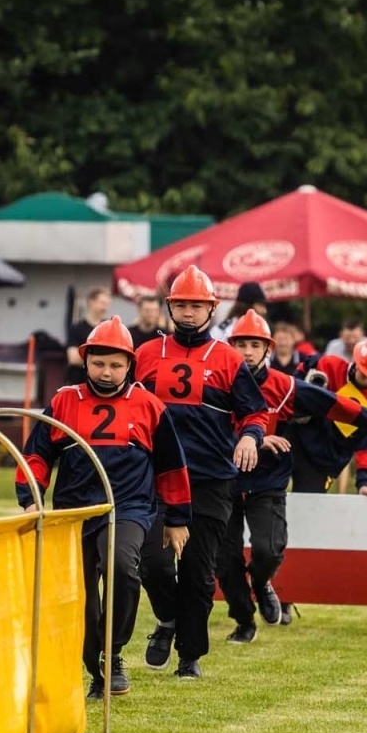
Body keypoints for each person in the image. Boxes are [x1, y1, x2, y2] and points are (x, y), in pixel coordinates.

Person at [16, 317, 190, 696]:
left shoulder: (149, 405)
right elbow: (36, 456)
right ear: (85, 361)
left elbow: (171, 466)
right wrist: (31, 499)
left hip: (127, 508)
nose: (107, 373)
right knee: (80, 598)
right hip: (73, 511)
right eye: (98, 364)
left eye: (115, 365)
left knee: (122, 568)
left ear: (130, 365)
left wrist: (176, 518)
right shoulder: (64, 400)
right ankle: (97, 670)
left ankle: (113, 653)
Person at [217, 311, 367, 642]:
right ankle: (243, 620)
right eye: (241, 345)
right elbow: (198, 428)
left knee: (269, 549)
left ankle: (264, 582)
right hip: (225, 478)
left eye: (255, 345)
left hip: (279, 475)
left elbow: (335, 405)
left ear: (267, 350)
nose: (247, 352)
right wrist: (253, 439)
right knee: (225, 560)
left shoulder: (285, 386)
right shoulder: (216, 385)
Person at [135, 265, 269, 679]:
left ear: (211, 309)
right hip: (154, 478)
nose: (189, 312)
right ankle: (167, 621)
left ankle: (189, 657)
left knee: (197, 572)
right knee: (152, 564)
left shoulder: (229, 359)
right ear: (170, 307)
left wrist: (250, 438)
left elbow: (256, 412)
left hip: (210, 480)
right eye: (181, 305)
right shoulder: (143, 355)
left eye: (196, 305)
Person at [290, 338, 367, 495]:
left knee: (309, 507)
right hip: (295, 438)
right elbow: (293, 384)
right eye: (365, 374)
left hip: (323, 462)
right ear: (356, 363)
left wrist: (364, 484)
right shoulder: (327, 365)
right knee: (266, 487)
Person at [64, 286, 112, 385]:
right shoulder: (76, 328)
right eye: (102, 303)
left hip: (101, 383)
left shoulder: (109, 328)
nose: (105, 308)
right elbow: (73, 358)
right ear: (91, 302)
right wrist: (102, 360)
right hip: (79, 380)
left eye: (107, 304)